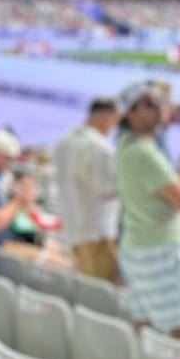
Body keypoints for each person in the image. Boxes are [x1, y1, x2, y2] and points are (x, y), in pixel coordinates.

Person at [115, 80, 180, 341]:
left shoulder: (128, 143)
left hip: (137, 248)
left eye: (161, 102)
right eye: (150, 103)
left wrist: (164, 116)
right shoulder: (146, 154)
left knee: (146, 327)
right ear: (130, 113)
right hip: (161, 252)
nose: (160, 108)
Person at [51, 97, 122, 281]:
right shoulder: (98, 147)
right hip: (97, 233)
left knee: (83, 286)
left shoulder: (64, 141)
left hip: (73, 228)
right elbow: (109, 188)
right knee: (100, 292)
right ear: (107, 116)